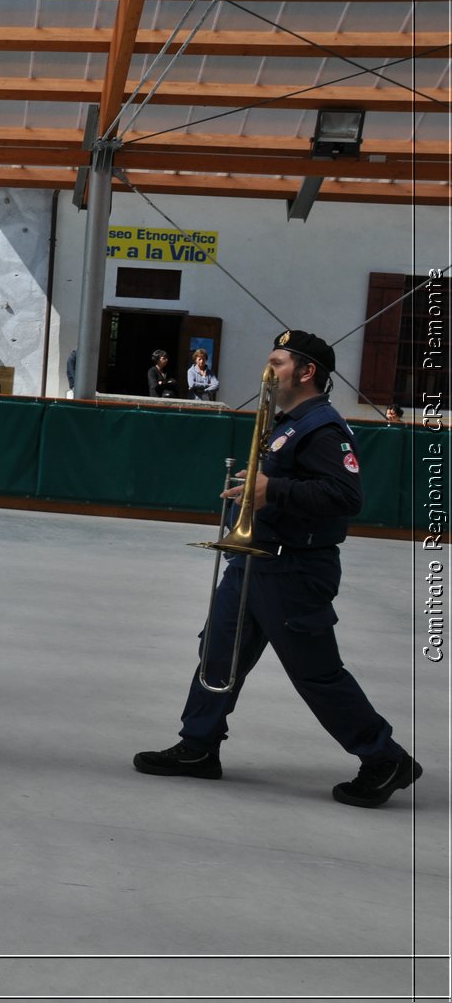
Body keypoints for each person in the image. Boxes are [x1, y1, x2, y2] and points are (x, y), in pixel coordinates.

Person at [134, 330, 421, 808]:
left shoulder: (322, 427)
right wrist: (258, 486)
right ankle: (198, 747)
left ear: (306, 372)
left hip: (294, 570)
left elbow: (346, 497)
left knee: (315, 673)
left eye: (277, 363)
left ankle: (384, 757)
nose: (268, 372)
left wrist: (273, 490)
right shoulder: (287, 421)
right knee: (217, 656)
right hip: (256, 560)